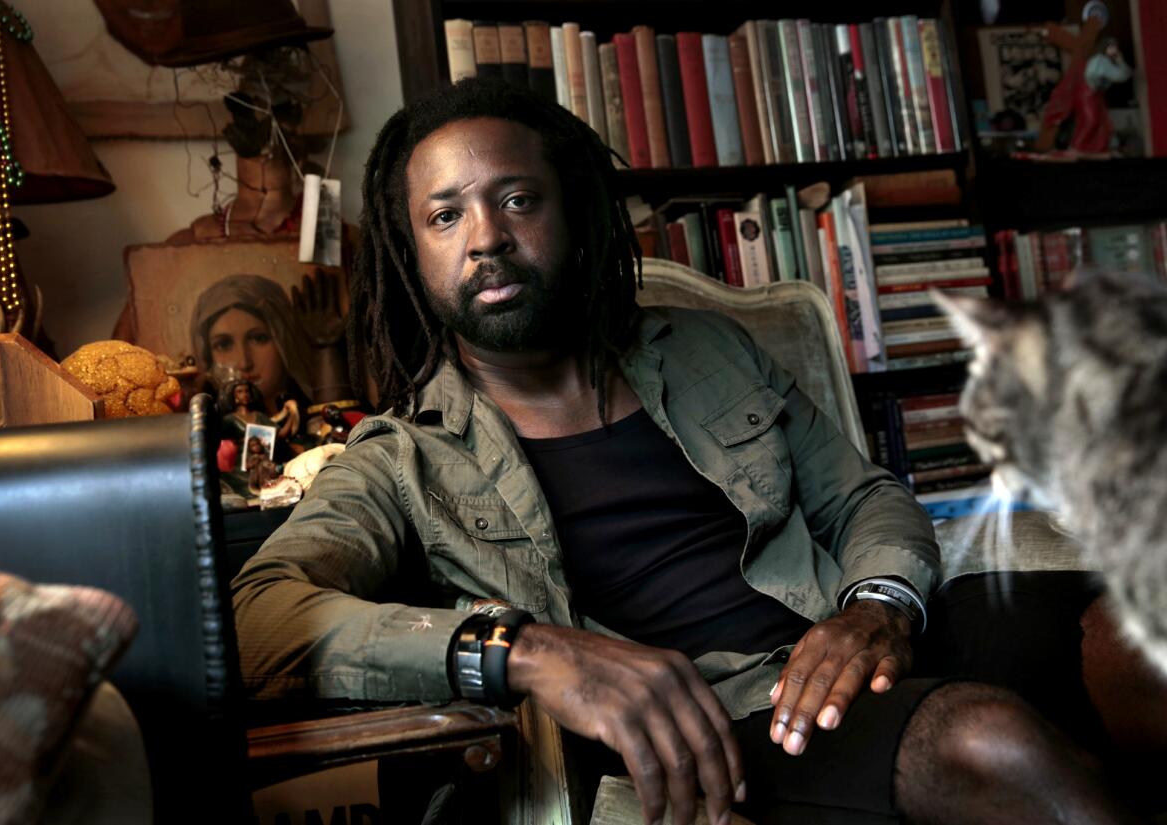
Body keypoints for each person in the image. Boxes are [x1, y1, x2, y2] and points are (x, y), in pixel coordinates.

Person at [232, 79, 1150, 824]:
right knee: (986, 740)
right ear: (414, 254)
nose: (486, 238)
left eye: (517, 198)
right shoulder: (399, 460)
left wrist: (878, 604)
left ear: (575, 214)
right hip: (735, 716)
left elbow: (863, 497)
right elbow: (259, 617)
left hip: (850, 634)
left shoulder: (707, 349)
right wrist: (530, 653)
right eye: (446, 217)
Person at [190, 270, 355, 422]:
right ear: (206, 356)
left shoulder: (302, 419)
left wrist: (326, 350)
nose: (244, 362)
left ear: (284, 342)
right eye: (224, 344)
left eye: (258, 338)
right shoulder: (211, 430)